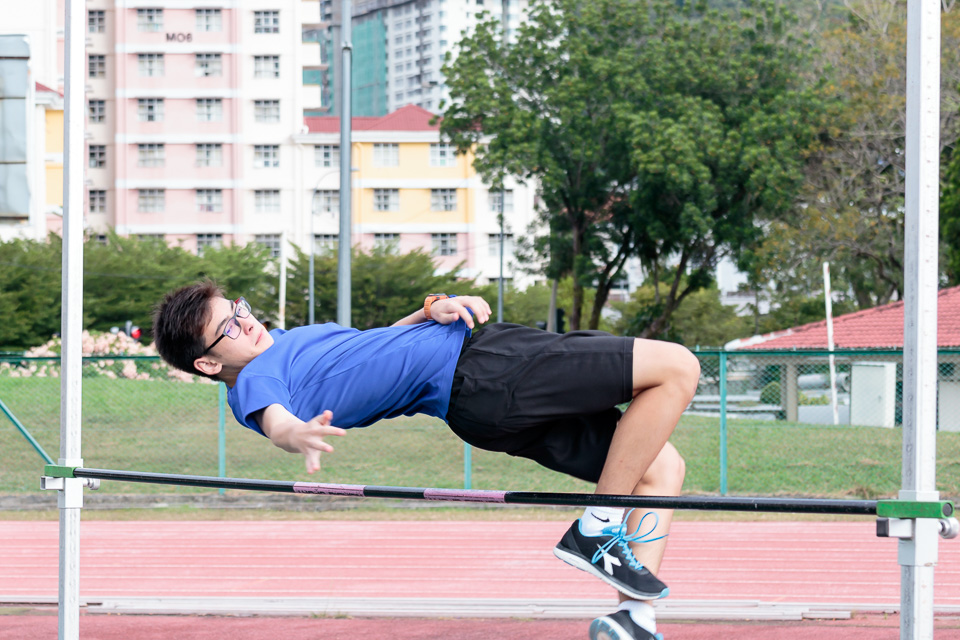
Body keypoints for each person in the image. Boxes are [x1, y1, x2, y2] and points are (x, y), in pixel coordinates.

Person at [152, 281, 700, 640]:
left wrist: (427, 311)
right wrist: (296, 433)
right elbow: (275, 419)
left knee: (660, 469)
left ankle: (633, 618)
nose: (246, 322)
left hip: (479, 397)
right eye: (229, 328)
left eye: (239, 310)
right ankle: (598, 526)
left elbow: (374, 353)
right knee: (677, 365)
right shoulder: (256, 378)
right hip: (484, 370)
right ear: (208, 364)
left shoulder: (286, 343)